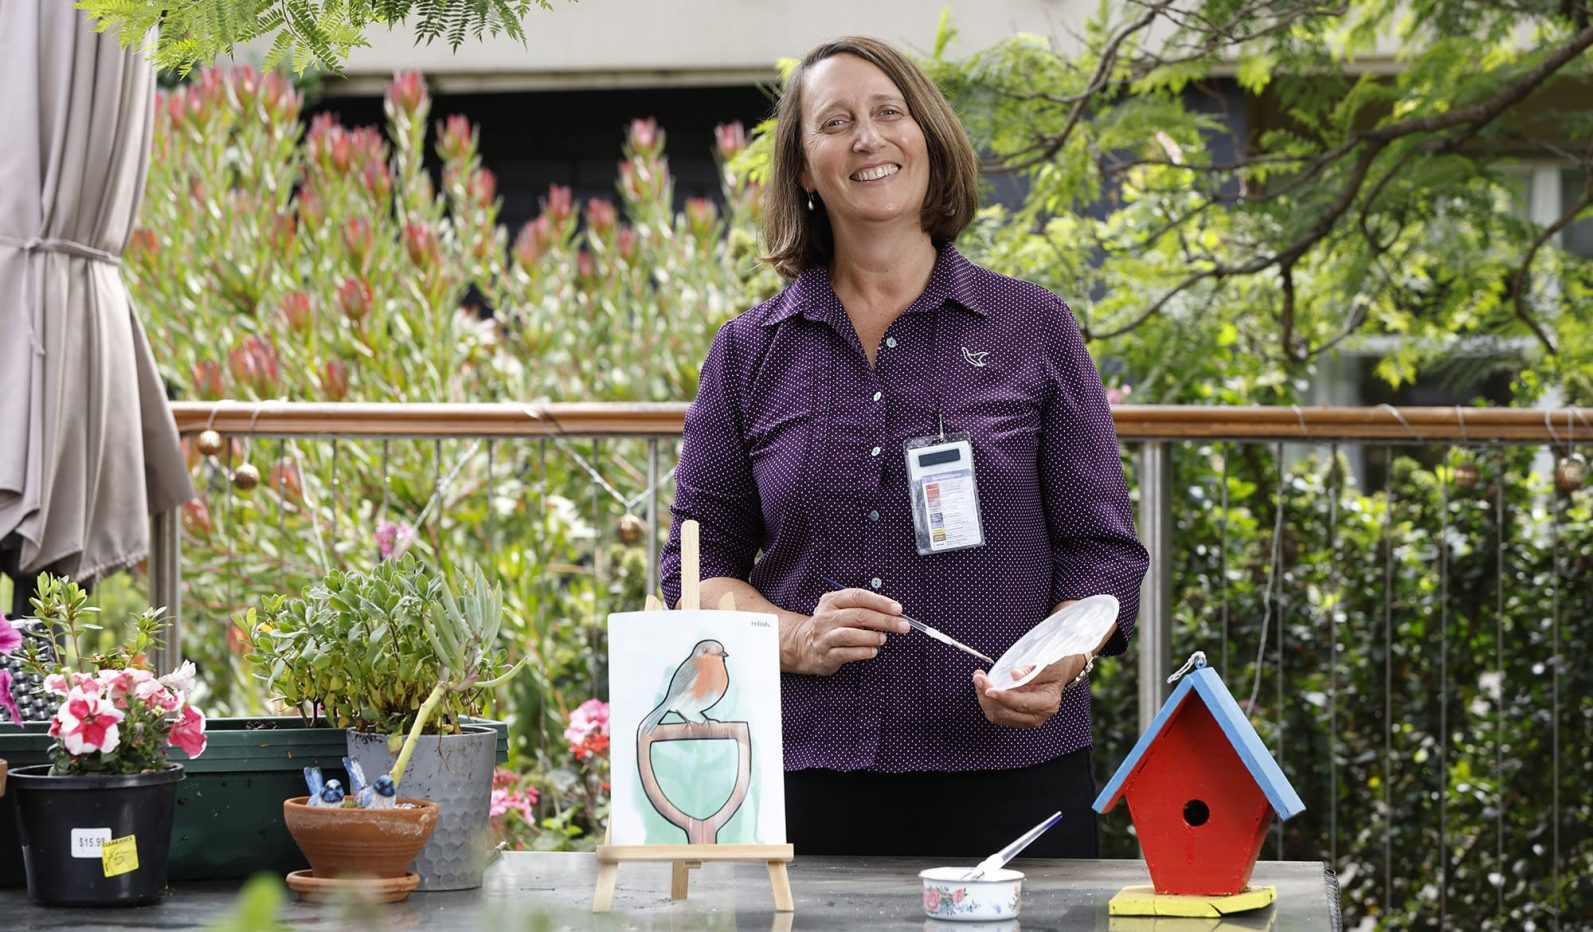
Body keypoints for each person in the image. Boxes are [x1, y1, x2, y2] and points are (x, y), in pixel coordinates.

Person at [660, 35, 1149, 858]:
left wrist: (1058, 663)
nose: (867, 138)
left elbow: (1102, 553)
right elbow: (693, 571)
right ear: (805, 171)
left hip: (1012, 775)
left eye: (889, 112)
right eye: (836, 121)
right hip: (803, 779)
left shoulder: (1034, 328)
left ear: (927, 138)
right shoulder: (748, 352)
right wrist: (793, 637)